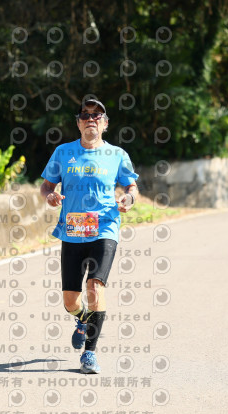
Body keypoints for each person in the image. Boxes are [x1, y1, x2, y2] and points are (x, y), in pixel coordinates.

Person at [40, 98, 139, 374]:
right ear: (78, 123)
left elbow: (131, 187)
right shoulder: (63, 152)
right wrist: (50, 195)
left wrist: (129, 199)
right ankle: (83, 319)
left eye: (97, 116)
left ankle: (89, 354)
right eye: (85, 115)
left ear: (105, 124)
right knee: (70, 301)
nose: (90, 119)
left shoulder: (117, 154)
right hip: (73, 230)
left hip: (105, 227)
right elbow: (46, 185)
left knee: (95, 288)